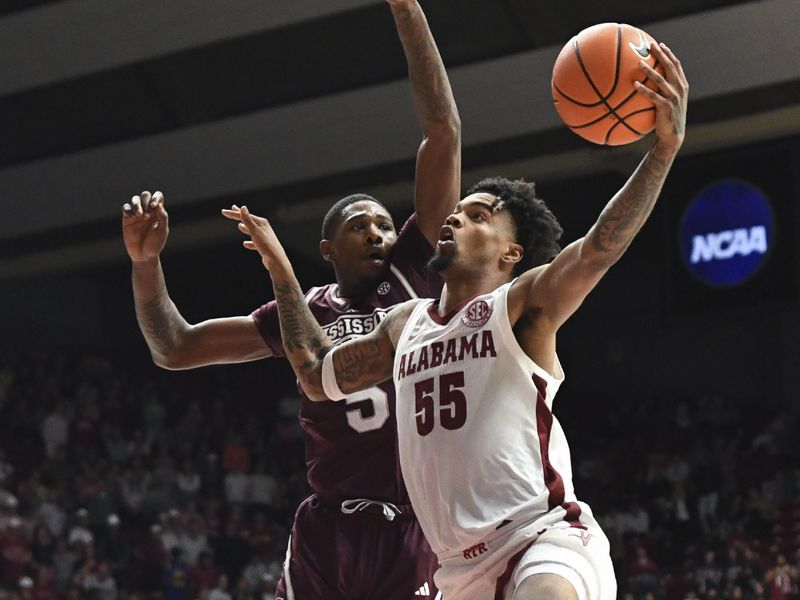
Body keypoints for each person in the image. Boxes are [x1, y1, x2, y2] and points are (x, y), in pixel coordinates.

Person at [229, 42, 688, 600]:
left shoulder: (519, 307)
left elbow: (597, 250)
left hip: (540, 538)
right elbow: (316, 374)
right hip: (453, 570)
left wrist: (662, 151)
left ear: (511, 254)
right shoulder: (405, 324)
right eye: (457, 210)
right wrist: (281, 271)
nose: (455, 216)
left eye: (478, 215)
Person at [121, 0, 459, 597]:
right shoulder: (300, 314)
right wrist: (146, 265)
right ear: (326, 248)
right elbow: (174, 347)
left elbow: (443, 132)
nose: (380, 233)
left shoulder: (415, 268)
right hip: (327, 527)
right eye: (361, 225)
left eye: (385, 223)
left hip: (413, 524)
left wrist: (407, 10)